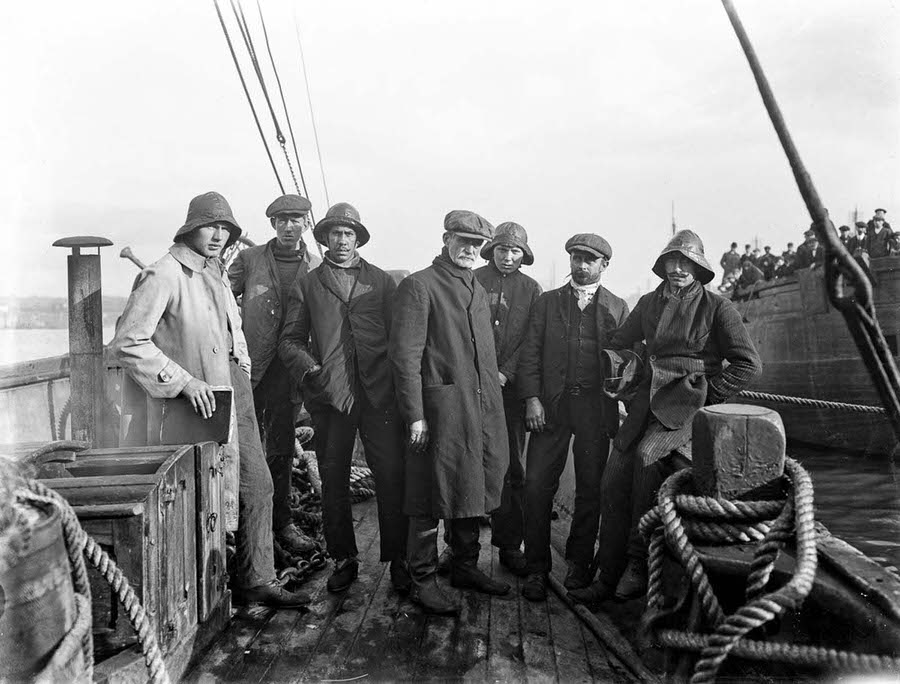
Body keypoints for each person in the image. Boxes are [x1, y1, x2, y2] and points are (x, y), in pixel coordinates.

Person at [112, 191, 308, 607]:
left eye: (226, 228)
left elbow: (232, 331)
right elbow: (128, 343)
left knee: (259, 485)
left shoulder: (215, 271)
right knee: (197, 497)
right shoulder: (165, 274)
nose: (219, 235)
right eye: (210, 226)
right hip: (192, 405)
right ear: (190, 228)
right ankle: (197, 593)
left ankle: (257, 578)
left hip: (234, 393)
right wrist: (183, 382)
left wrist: (244, 368)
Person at [569, 230, 761, 605]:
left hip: (684, 407)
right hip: (644, 404)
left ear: (699, 268)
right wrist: (623, 364)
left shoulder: (718, 308)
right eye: (671, 262)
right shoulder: (648, 303)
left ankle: (637, 566)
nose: (677, 269)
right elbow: (619, 339)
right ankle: (607, 573)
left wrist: (706, 395)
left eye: (685, 263)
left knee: (647, 461)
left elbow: (748, 365)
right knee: (613, 478)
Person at [278, 202, 410, 594]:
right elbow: (289, 341)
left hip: (379, 395)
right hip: (331, 398)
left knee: (391, 476)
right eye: (334, 233)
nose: (341, 240)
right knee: (333, 480)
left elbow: (401, 336)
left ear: (357, 239)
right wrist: (313, 373)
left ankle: (398, 559)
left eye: (348, 233)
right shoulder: (308, 283)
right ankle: (344, 559)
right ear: (324, 238)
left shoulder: (382, 283)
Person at [389, 210, 511, 615]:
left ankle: (464, 566)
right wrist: (416, 415)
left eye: (476, 245)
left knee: (471, 485)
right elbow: (405, 358)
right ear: (446, 239)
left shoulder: (475, 286)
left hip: (477, 409)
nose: (470, 250)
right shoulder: (420, 285)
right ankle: (422, 579)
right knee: (428, 492)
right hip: (438, 412)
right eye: (463, 242)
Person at [517, 234, 629, 602]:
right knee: (535, 486)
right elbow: (530, 353)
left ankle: (579, 564)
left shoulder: (617, 308)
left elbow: (631, 358)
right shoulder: (547, 303)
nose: (581, 265)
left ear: (604, 266)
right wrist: (532, 399)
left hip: (595, 411)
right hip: (551, 407)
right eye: (576, 258)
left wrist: (623, 390)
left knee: (590, 488)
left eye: (589, 260)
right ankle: (536, 567)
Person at [228, 194, 320, 557]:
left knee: (281, 450)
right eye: (281, 219)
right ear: (272, 224)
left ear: (304, 224)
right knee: (245, 448)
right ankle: (245, 526)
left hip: (291, 373)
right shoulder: (249, 260)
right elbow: (219, 296)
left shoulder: (315, 267)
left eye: (296, 219)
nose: (288, 226)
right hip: (253, 368)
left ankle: (281, 523)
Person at [473, 222, 542, 576]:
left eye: (515, 251)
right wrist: (482, 374)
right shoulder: (472, 281)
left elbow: (532, 340)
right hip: (472, 389)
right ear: (492, 251)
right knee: (469, 463)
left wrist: (506, 373)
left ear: (524, 255)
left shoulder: (532, 290)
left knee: (514, 467)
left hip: (511, 394)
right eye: (502, 250)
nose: (508, 257)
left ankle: (509, 545)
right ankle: (461, 548)